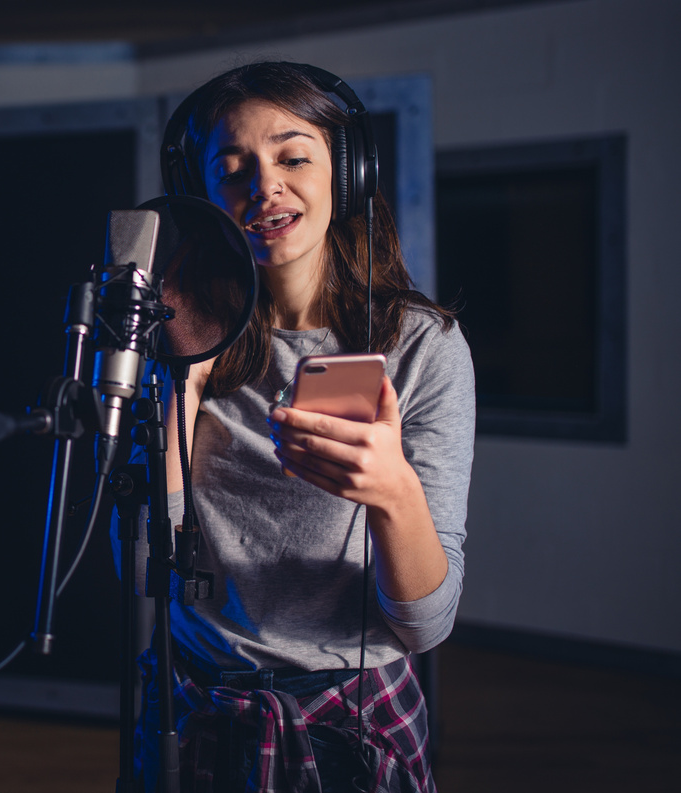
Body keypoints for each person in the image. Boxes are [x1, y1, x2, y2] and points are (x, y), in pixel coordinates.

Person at [135, 62, 475, 793]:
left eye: (292, 157)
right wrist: (181, 382)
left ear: (345, 174)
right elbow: (139, 572)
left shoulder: (422, 348)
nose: (263, 188)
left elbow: (423, 627)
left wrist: (392, 494)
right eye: (232, 170)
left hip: (351, 713)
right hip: (193, 700)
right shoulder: (171, 336)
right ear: (200, 197)